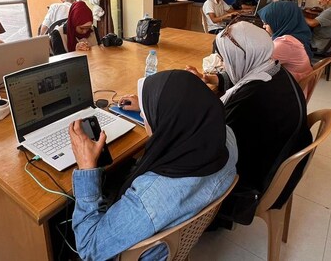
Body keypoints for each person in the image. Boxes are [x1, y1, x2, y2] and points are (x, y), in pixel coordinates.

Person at [68, 71, 237, 260]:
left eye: (146, 114)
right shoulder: (227, 139)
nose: (142, 114)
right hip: (176, 241)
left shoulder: (148, 200)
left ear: (168, 121)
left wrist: (86, 168)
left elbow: (89, 248)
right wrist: (150, 104)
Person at [185, 21, 311, 225]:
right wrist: (206, 78)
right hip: (274, 161)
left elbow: (213, 144)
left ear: (244, 58)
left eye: (225, 60)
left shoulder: (251, 101)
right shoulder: (273, 70)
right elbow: (240, 81)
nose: (224, 65)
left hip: (249, 186)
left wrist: (177, 104)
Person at [258, 1, 313, 82]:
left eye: (266, 23)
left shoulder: (285, 43)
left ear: (278, 21)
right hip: (295, 83)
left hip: (289, 88)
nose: (263, 26)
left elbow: (259, 64)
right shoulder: (297, 35)